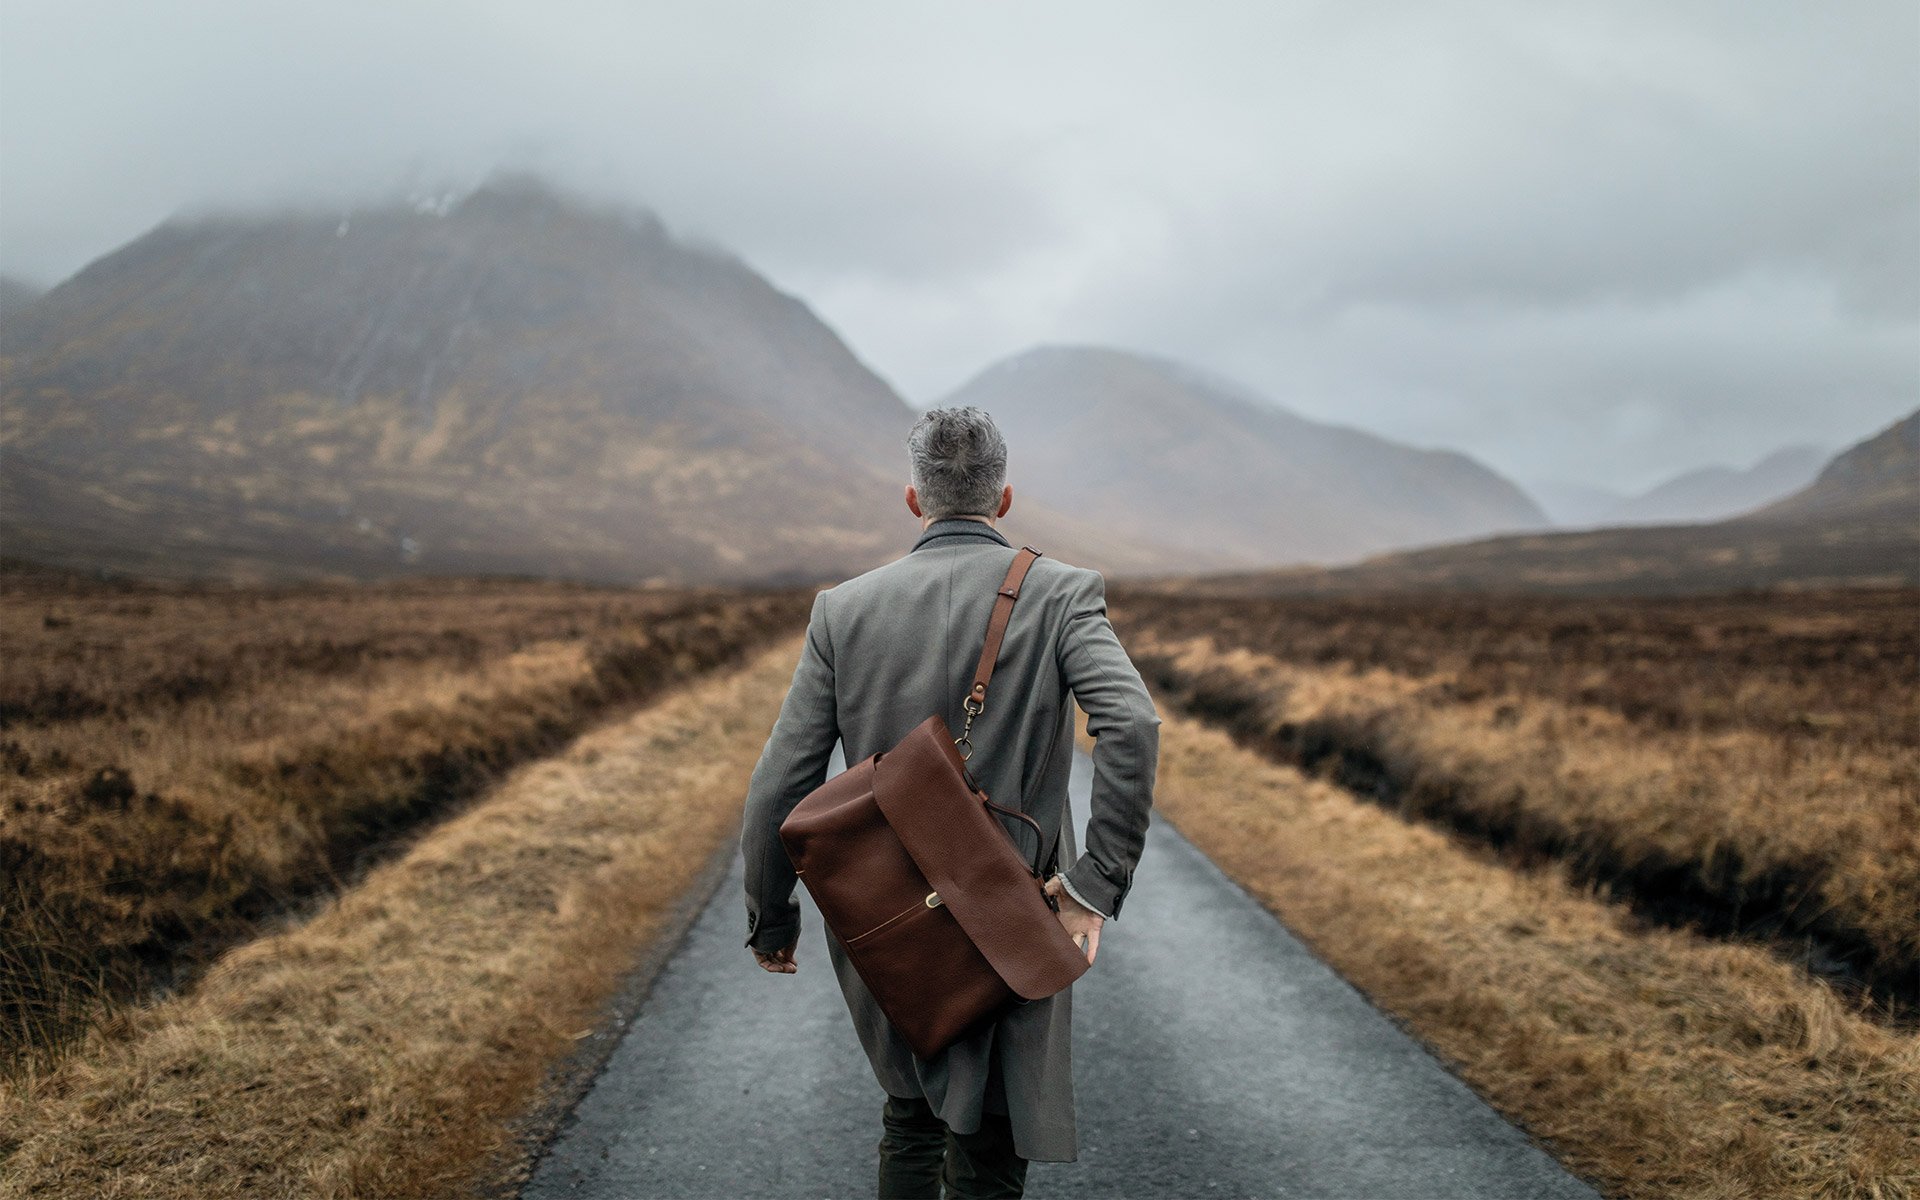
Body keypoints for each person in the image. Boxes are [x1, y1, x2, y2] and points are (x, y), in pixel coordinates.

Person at [739, 405, 1161, 1199]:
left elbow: (782, 777)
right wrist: (1090, 888)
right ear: (1004, 500)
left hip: (887, 914)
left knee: (910, 1114)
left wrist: (771, 914)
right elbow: (1132, 725)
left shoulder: (844, 609)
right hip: (1018, 909)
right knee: (995, 1138)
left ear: (912, 499)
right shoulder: (1063, 594)